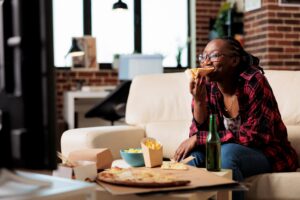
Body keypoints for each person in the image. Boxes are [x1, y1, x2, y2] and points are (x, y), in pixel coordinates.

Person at [174, 37, 299, 199]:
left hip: (267, 152)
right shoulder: (208, 85)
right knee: (192, 158)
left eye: (214, 56)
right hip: (223, 148)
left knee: (227, 154)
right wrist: (198, 100)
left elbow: (251, 136)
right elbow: (199, 134)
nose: (206, 62)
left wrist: (200, 138)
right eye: (203, 56)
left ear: (234, 60)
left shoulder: (253, 82)